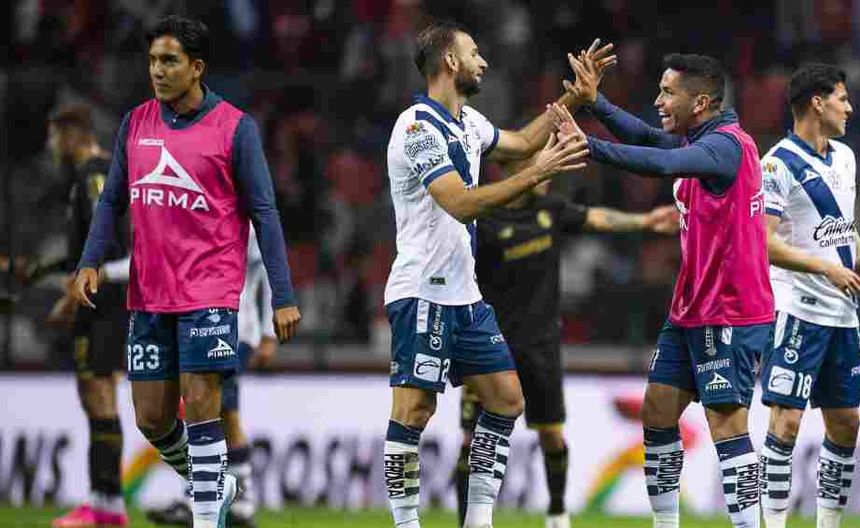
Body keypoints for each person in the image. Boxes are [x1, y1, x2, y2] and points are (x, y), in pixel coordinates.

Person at [72, 16, 300, 528]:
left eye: (169, 61)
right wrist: (89, 261)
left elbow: (265, 214)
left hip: (209, 291)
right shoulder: (135, 123)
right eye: (153, 60)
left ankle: (206, 516)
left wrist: (283, 296)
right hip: (149, 293)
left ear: (196, 68)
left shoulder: (235, 128)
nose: (157, 70)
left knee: (201, 406)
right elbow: (110, 201)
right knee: (152, 418)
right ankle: (217, 483)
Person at [382, 21, 606, 528]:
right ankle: (406, 523)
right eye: (474, 53)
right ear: (450, 61)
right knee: (414, 412)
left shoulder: (470, 122)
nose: (483, 62)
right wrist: (538, 174)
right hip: (422, 293)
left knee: (506, 400)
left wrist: (575, 98)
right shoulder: (417, 128)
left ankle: (478, 520)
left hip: (466, 295)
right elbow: (461, 203)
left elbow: (524, 142)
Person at [564, 51, 774, 528]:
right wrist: (595, 102)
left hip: (730, 310)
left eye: (667, 93)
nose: (657, 100)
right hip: (691, 307)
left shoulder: (726, 147)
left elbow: (660, 163)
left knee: (726, 425)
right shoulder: (699, 138)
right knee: (658, 411)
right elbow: (647, 138)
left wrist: (590, 146)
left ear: (700, 102)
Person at [453, 156, 679, 528]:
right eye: (540, 167)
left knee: (551, 435)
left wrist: (645, 221)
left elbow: (597, 218)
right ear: (516, 172)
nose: (547, 176)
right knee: (471, 440)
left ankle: (557, 511)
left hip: (540, 344)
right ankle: (468, 520)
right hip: (488, 345)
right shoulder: (484, 217)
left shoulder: (550, 209)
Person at [758, 63, 859, 528]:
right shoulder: (777, 164)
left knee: (847, 423)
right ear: (817, 103)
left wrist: (849, 263)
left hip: (844, 314)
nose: (849, 108)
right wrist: (826, 269)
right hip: (797, 310)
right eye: (842, 98)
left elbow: (843, 231)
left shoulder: (846, 158)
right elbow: (763, 242)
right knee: (786, 423)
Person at [37, 104, 131, 528]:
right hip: (99, 301)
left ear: (72, 133)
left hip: (104, 304)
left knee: (100, 395)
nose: (51, 145)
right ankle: (105, 504)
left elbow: (107, 245)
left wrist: (73, 296)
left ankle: (105, 504)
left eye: (54, 135)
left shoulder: (94, 175)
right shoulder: (91, 175)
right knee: (95, 396)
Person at [144, 225, 275, 528]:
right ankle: (234, 502)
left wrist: (268, 332)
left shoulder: (247, 221)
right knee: (222, 413)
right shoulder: (196, 212)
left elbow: (269, 270)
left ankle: (205, 499)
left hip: (237, 329)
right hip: (199, 323)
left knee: (209, 411)